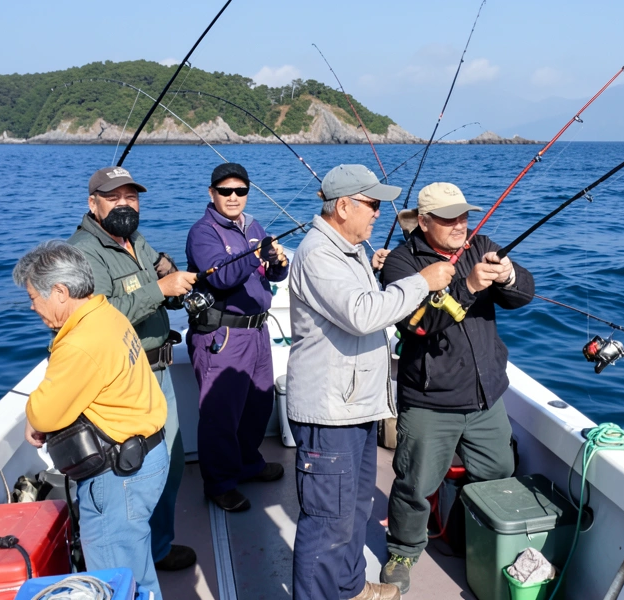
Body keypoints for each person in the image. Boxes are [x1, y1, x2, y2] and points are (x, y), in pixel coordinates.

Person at [286, 164, 457, 600]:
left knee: (354, 512)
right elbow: (362, 314)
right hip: (330, 413)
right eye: (372, 204)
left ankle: (349, 587)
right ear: (343, 206)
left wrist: (373, 266)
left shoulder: (349, 248)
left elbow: (359, 298)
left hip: (354, 406)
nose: (379, 213)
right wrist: (422, 281)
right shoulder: (319, 253)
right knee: (327, 523)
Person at [377, 183, 535, 594]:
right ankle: (403, 550)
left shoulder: (479, 242)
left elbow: (523, 296)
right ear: (424, 221)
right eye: (448, 218)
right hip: (430, 400)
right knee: (415, 483)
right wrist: (469, 288)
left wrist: (509, 275)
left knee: (497, 473)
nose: (460, 224)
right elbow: (414, 325)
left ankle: (468, 536)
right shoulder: (400, 263)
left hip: (487, 395)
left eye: (464, 215)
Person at [15, 241, 169, 600]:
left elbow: (42, 412)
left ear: (60, 291)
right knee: (137, 571)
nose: (32, 307)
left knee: (115, 578)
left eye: (35, 297)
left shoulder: (80, 342)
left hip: (118, 479)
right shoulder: (108, 315)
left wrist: (34, 415)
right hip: (147, 456)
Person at [66, 166, 199, 572]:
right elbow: (99, 317)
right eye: (114, 196)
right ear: (93, 204)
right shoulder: (83, 253)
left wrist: (174, 285)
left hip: (159, 372)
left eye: (132, 196)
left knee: (170, 464)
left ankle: (157, 547)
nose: (125, 204)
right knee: (133, 474)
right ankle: (132, 560)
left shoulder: (136, 240)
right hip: (124, 382)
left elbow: (154, 292)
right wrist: (159, 289)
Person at [184, 162, 289, 512]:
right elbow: (221, 276)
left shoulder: (254, 226)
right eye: (225, 191)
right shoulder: (203, 232)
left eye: (240, 191)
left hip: (258, 331)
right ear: (212, 193)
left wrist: (277, 263)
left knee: (258, 404)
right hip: (223, 335)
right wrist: (255, 254)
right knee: (221, 413)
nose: (233, 197)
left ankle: (248, 463)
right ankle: (220, 483)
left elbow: (267, 274)